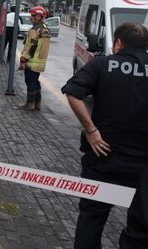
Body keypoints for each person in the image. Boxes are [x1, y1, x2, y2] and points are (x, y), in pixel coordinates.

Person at [60, 22, 148, 249]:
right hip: (143, 166)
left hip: (103, 157)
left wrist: (91, 131)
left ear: (118, 43)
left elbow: (73, 93)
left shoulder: (102, 64)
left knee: (91, 219)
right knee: (140, 228)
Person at [17, 6, 51, 111]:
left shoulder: (34, 30)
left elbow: (30, 46)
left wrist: (23, 60)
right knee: (35, 81)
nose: (30, 17)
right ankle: (37, 103)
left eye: (32, 15)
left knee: (30, 81)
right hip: (40, 62)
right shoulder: (45, 29)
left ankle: (30, 103)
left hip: (32, 60)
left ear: (38, 16)